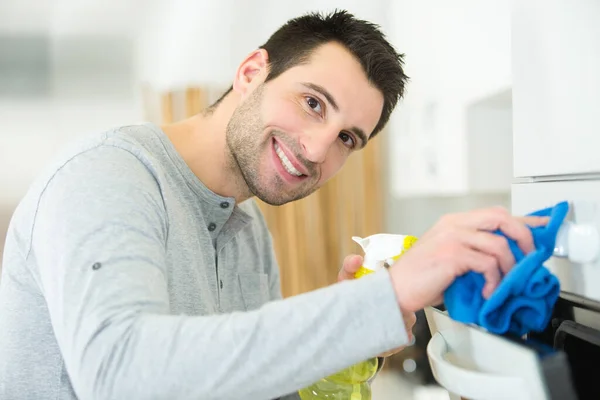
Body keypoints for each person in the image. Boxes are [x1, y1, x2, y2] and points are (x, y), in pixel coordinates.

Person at [0, 9, 547, 400]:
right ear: (250, 73)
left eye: (347, 138)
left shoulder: (248, 230)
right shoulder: (108, 175)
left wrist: (345, 342)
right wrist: (382, 299)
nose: (316, 148)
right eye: (312, 103)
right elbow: (118, 372)